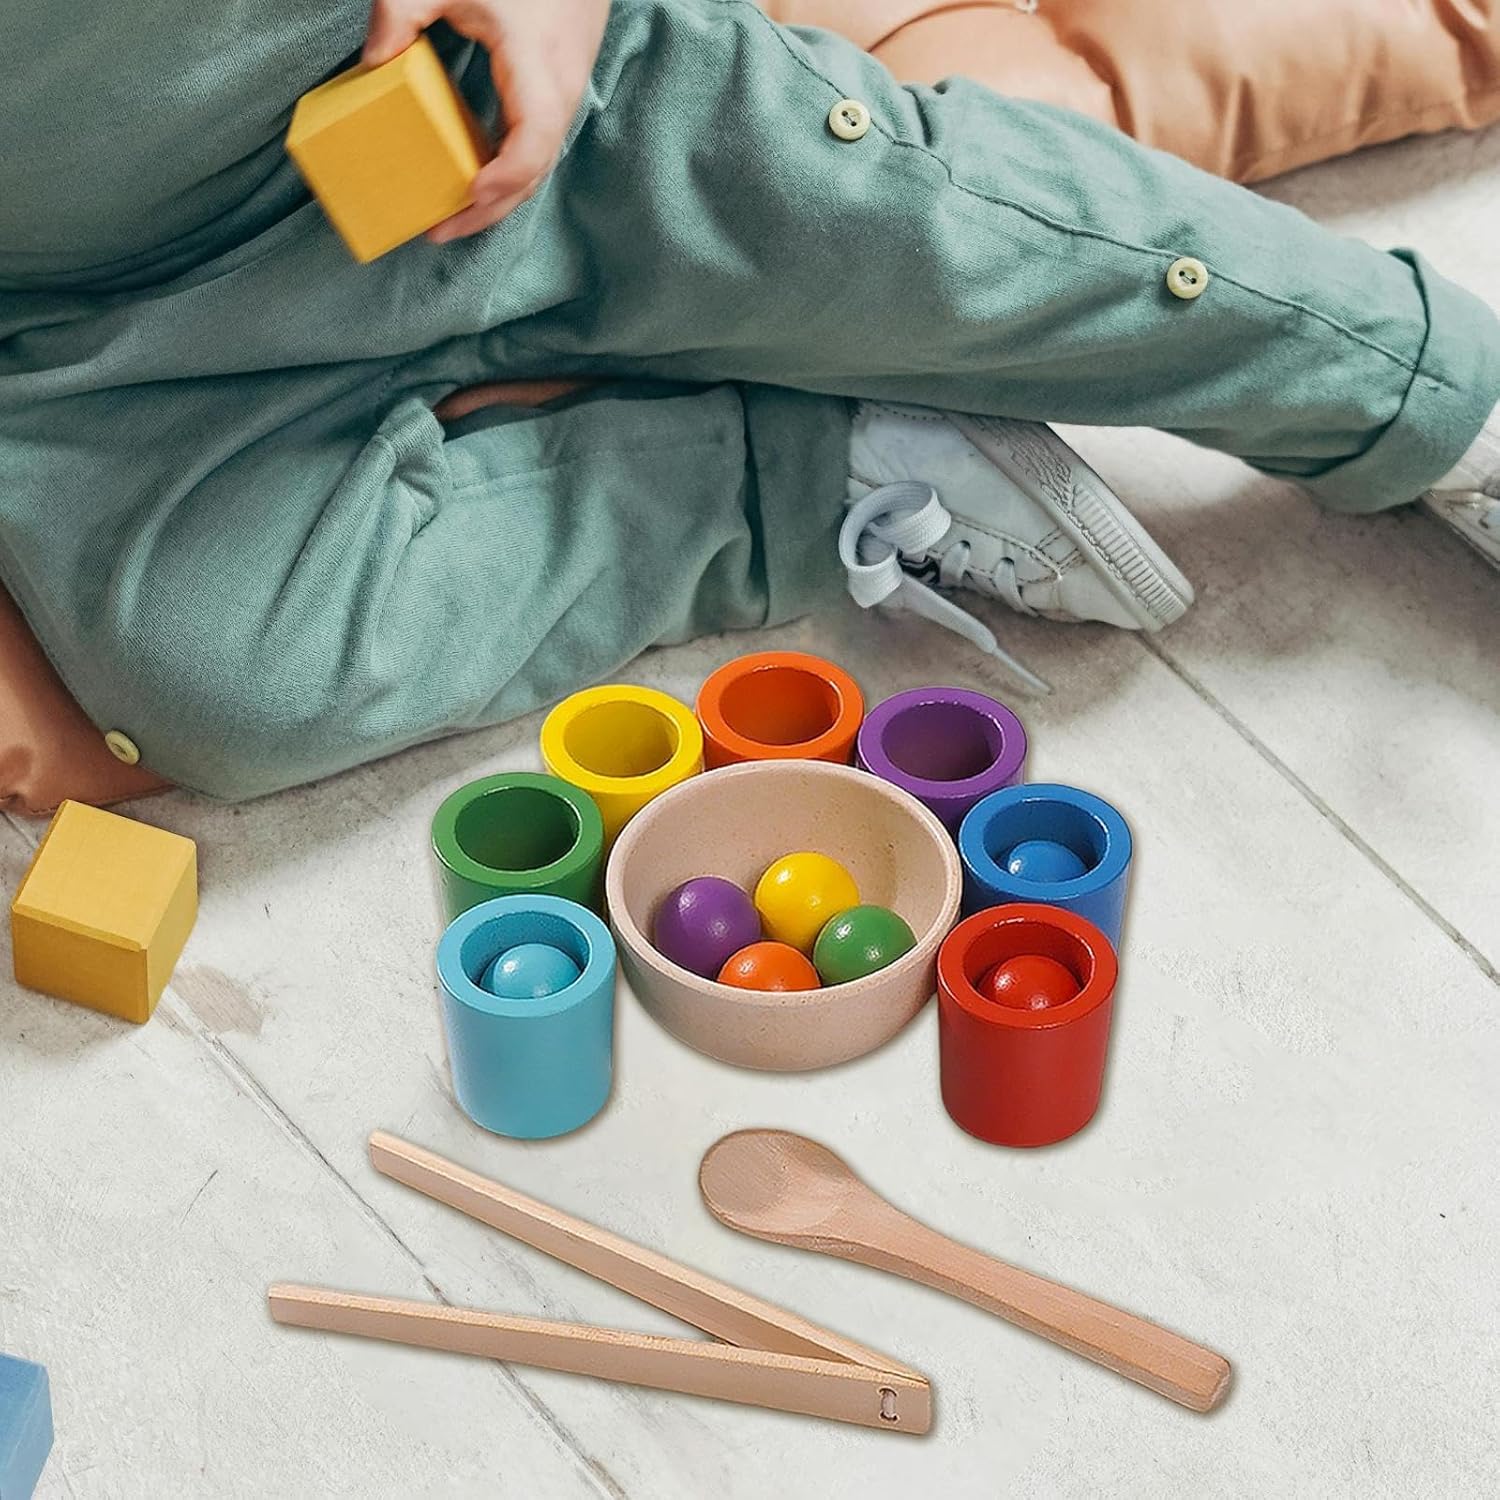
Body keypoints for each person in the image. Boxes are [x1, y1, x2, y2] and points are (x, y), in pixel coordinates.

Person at [1, 0, 1495, 801]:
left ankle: (1431, 394)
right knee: (219, 678)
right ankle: (809, 465)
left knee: (915, 233)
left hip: (482, 81)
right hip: (96, 331)